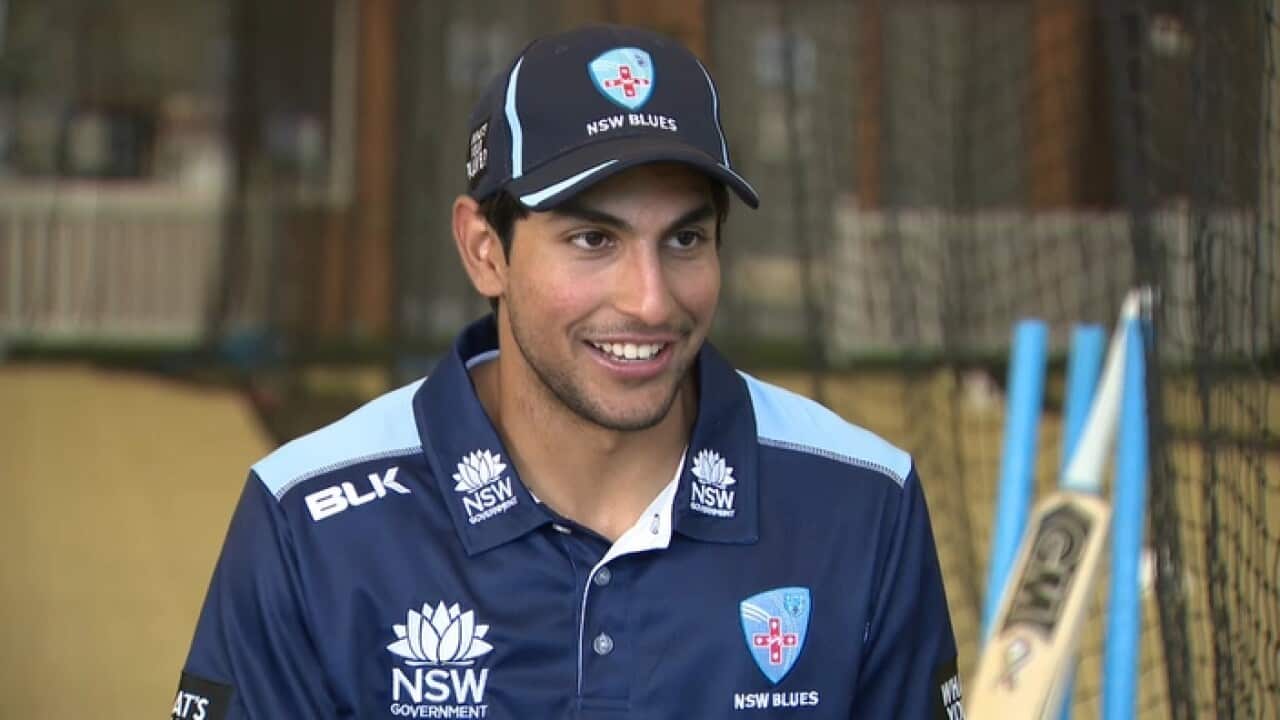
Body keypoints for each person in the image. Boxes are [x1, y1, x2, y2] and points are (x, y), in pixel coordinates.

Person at [173, 24, 961, 720]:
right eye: (594, 240)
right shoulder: (308, 519)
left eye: (685, 241)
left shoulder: (864, 504)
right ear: (485, 249)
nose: (650, 302)